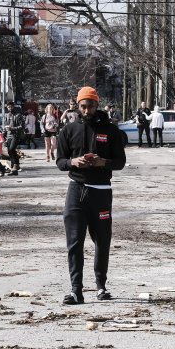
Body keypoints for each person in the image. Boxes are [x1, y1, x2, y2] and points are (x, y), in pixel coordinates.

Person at [56, 86, 126, 305]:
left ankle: (101, 286)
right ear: (78, 106)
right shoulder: (68, 130)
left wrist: (102, 162)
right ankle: (76, 290)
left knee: (102, 241)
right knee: (74, 243)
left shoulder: (110, 130)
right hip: (76, 190)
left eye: (91, 106)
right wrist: (73, 162)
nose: (87, 110)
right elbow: (60, 161)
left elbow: (121, 162)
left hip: (101, 192)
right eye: (83, 106)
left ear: (97, 105)